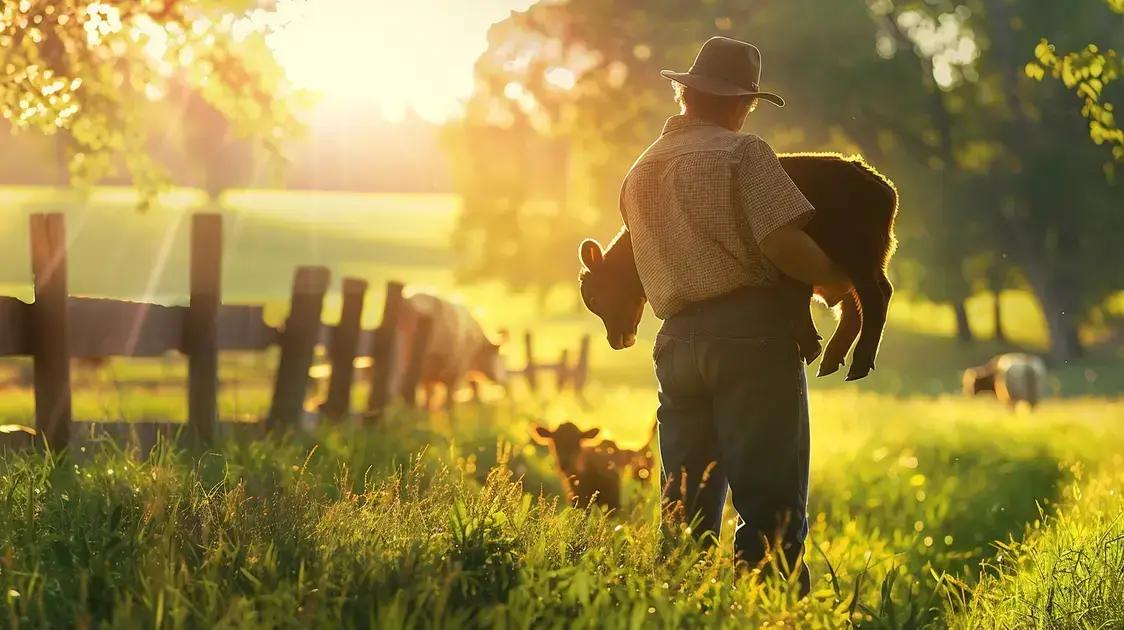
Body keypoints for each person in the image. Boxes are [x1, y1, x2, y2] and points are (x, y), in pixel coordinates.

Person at [619, 36, 850, 595]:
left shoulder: (640, 169)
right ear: (739, 102)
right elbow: (782, 243)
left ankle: (679, 605)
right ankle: (770, 611)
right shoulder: (744, 154)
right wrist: (838, 279)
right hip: (751, 338)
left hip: (676, 342)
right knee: (770, 501)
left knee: (684, 501)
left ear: (686, 95)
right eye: (747, 102)